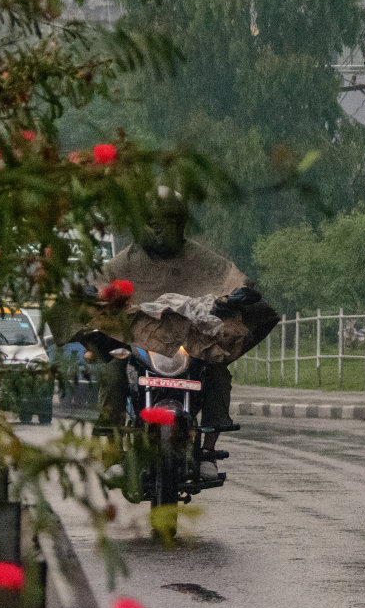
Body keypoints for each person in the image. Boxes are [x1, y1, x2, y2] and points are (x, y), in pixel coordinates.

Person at [93, 194, 254, 476]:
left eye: (168, 220)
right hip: (142, 338)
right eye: (154, 221)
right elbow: (102, 280)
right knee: (113, 371)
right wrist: (96, 294)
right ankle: (115, 452)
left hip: (188, 339)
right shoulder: (129, 258)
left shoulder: (198, 256)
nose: (160, 228)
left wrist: (237, 291)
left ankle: (207, 451)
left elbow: (227, 276)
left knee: (218, 371)